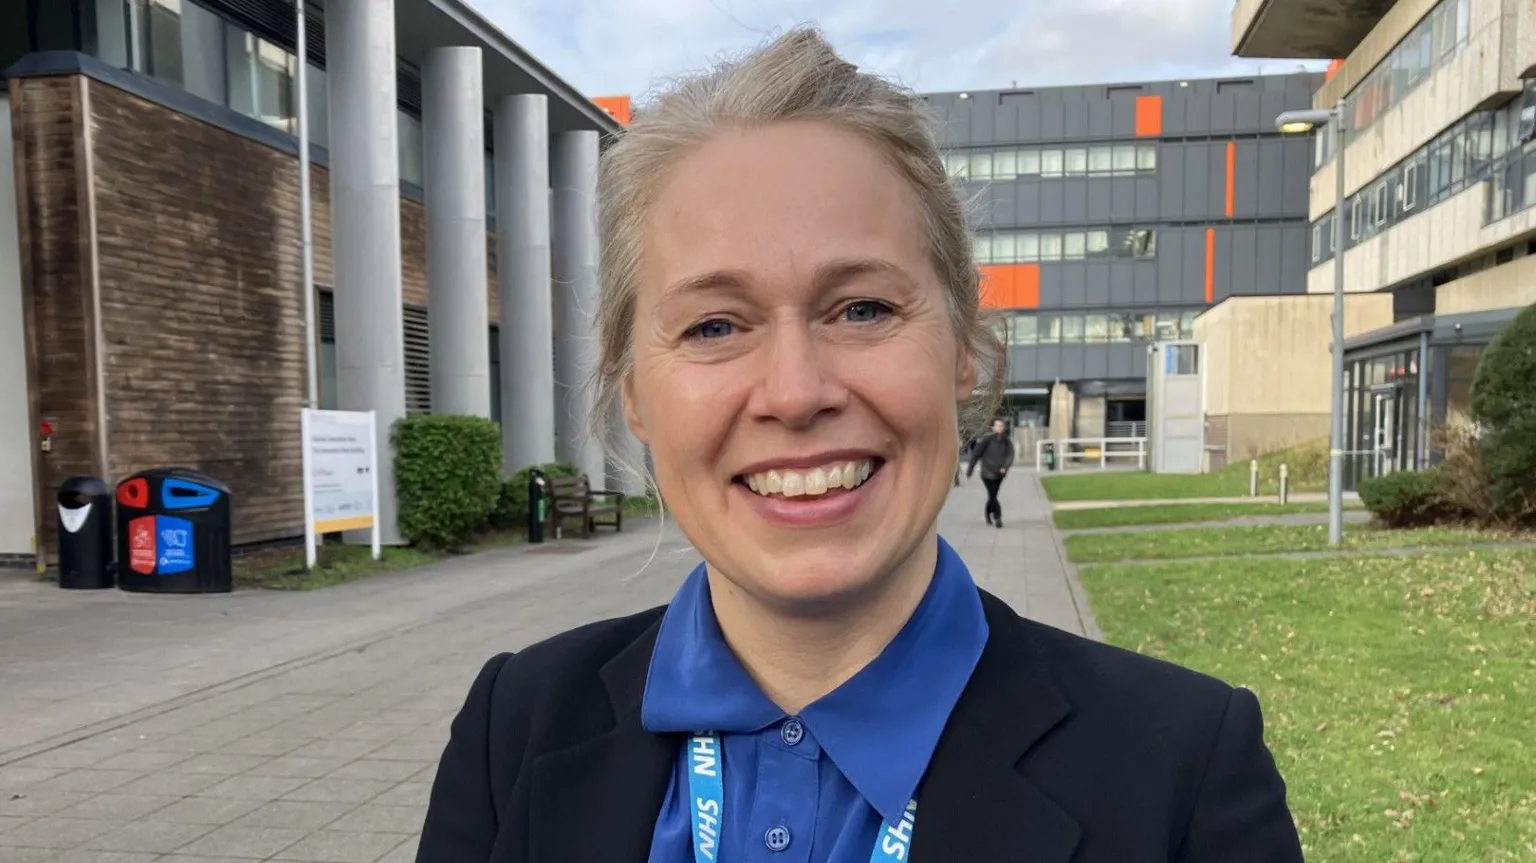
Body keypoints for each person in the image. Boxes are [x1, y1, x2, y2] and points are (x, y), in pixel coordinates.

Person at [416, 27, 1302, 863]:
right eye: (715, 325)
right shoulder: (514, 730)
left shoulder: (1181, 768)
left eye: (864, 309)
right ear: (634, 393)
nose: (797, 392)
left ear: (964, 350)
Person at [966, 418, 1014, 527]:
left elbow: (1010, 455)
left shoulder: (1007, 441)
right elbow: (975, 455)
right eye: (997, 426)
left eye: (1001, 426)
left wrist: (1005, 467)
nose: (999, 428)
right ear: (993, 428)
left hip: (1000, 474)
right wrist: (970, 470)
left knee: (993, 495)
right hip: (987, 473)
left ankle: (987, 514)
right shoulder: (987, 440)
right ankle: (998, 517)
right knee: (993, 495)